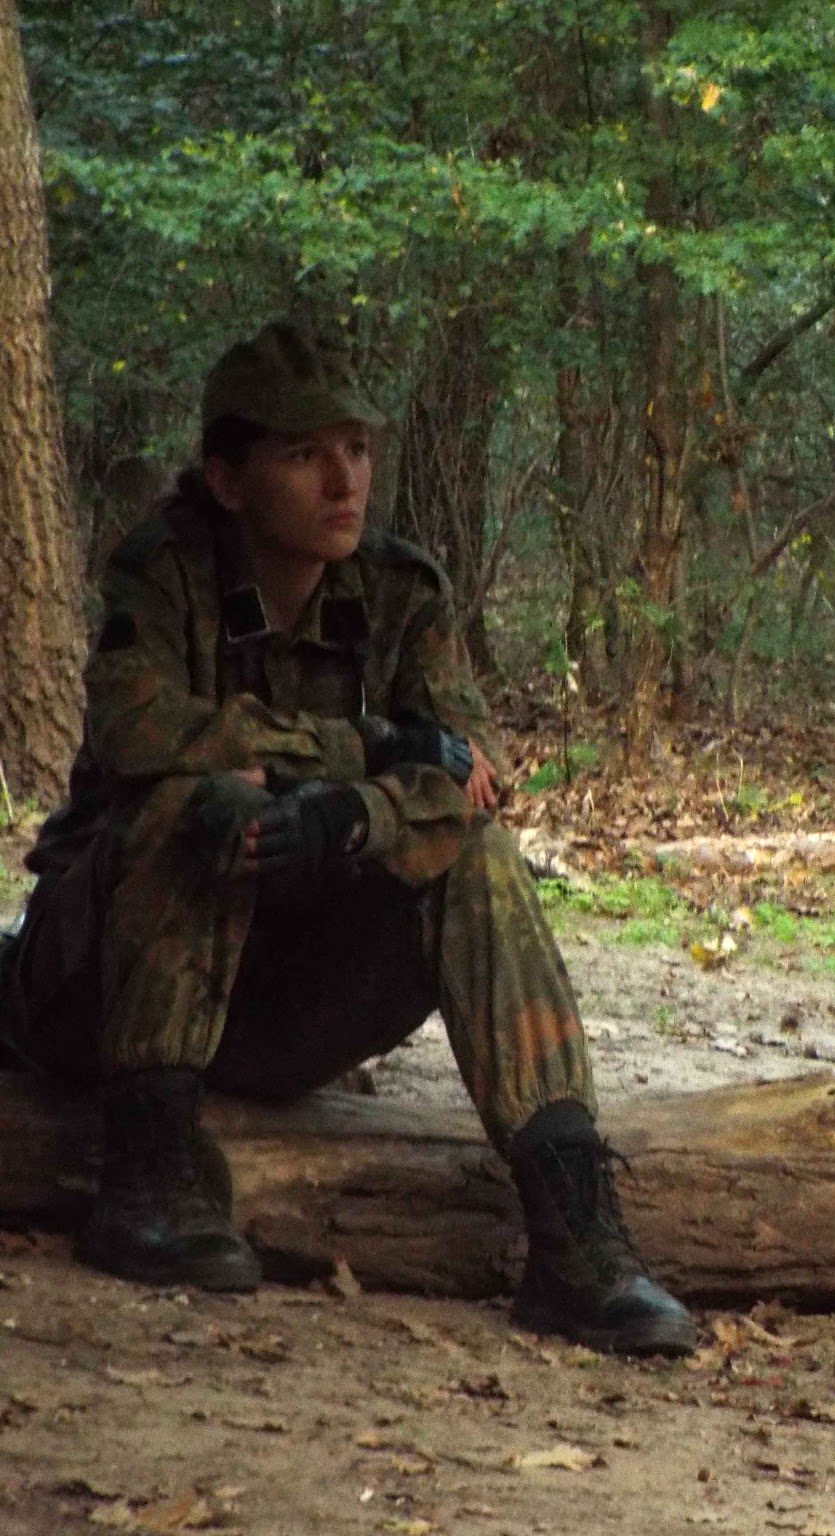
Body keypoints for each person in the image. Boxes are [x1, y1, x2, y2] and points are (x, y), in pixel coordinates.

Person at [0, 322, 694, 1355]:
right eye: (303, 454)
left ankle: (575, 1232)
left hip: (279, 1005)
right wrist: (360, 747)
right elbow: (136, 731)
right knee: (209, 803)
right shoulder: (164, 570)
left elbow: (475, 777)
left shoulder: (399, 591)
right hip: (96, 993)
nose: (344, 481)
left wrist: (353, 816)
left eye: (357, 449)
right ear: (228, 480)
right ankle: (149, 1177)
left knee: (477, 856)